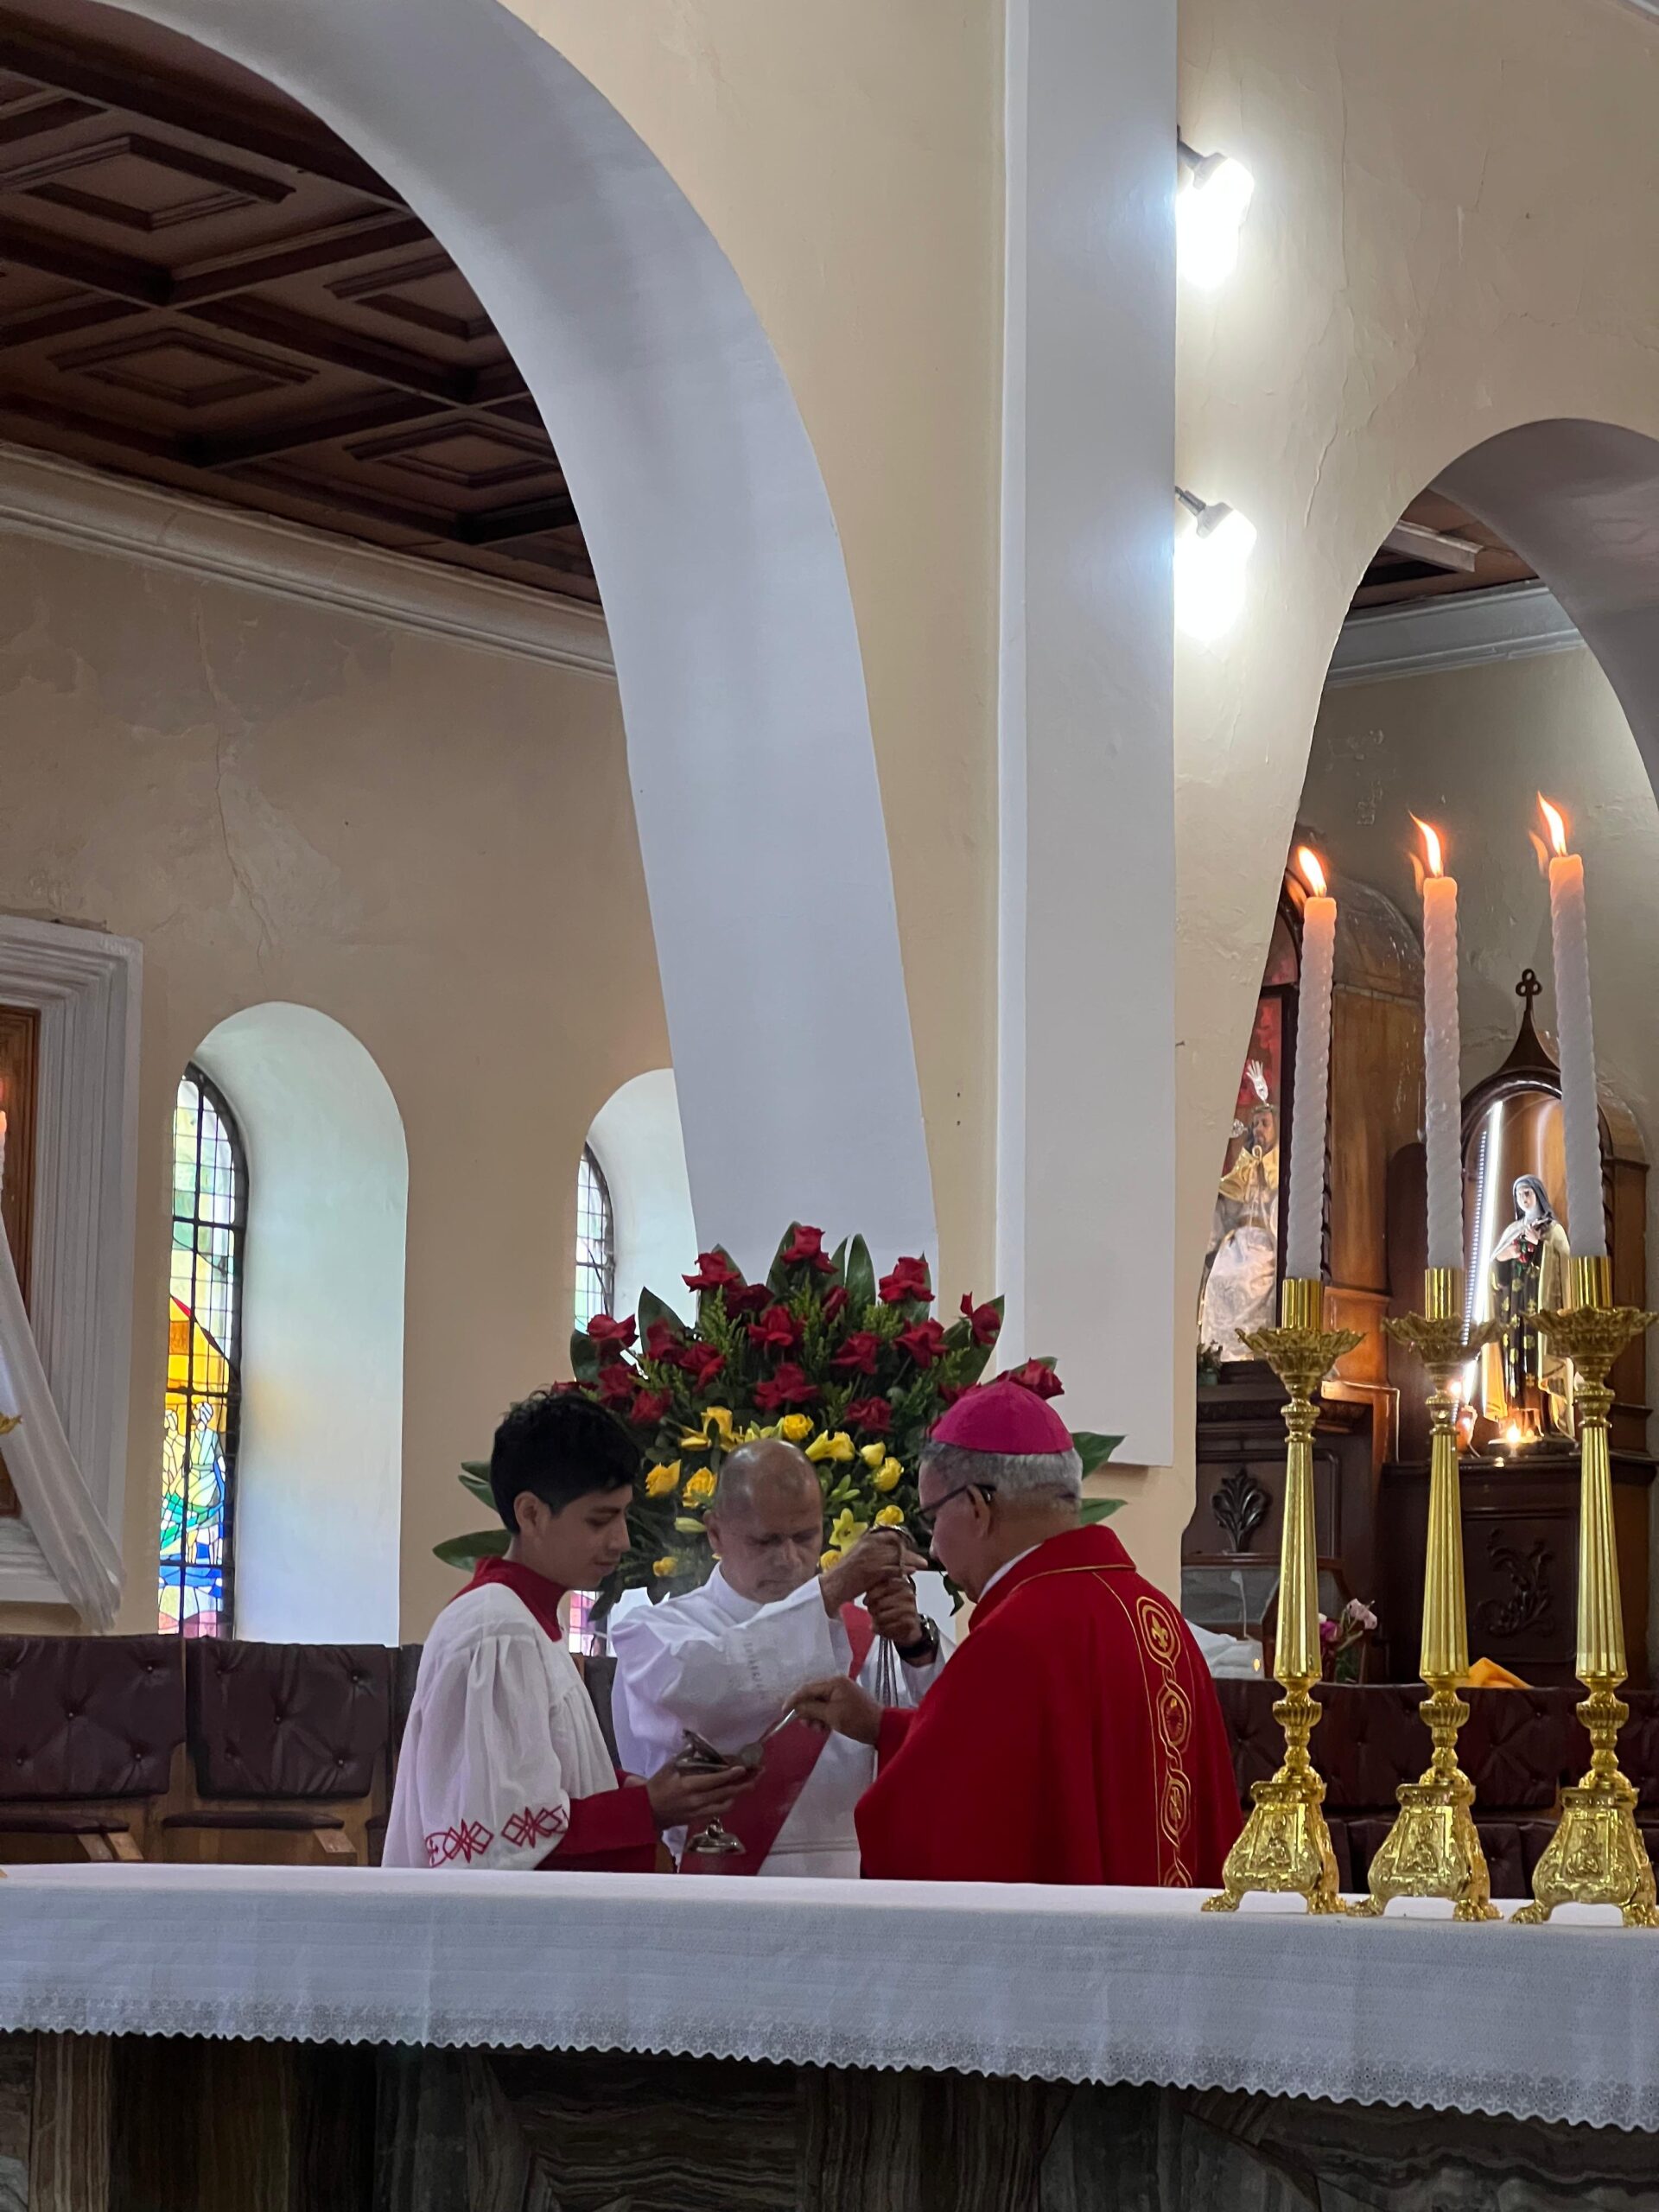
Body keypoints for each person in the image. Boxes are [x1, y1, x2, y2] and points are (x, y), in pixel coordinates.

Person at [791, 1378, 1243, 1887]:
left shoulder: (1015, 1639)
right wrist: (882, 1727)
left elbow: (938, 1830)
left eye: (932, 1517)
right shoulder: (1157, 1616)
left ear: (979, 1509)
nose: (934, 1548)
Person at [385, 1391, 748, 1872]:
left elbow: (541, 1783)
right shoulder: (497, 1634)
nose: (621, 1541)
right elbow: (496, 1849)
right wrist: (649, 1808)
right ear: (531, 1513)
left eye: (623, 1515)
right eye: (601, 1520)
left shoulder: (528, 1622)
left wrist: (628, 1788)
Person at [610, 1437, 949, 1875]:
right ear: (715, 1532)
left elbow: (949, 1741)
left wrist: (916, 1649)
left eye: (805, 1536)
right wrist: (832, 1587)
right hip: (718, 1888)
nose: (789, 1559)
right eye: (766, 1541)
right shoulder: (656, 1632)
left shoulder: (863, 1632)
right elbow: (705, 1693)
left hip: (855, 1888)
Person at [1478, 1173, 1575, 1440]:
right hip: (1515, 1314)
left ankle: (1547, 1424)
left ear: (1538, 1196)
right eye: (1519, 1195)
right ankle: (1517, 1425)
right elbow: (1496, 1276)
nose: (1523, 1199)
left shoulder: (1552, 1231)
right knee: (1515, 1367)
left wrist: (1539, 1247)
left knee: (1539, 1366)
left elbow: (1565, 1263)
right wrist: (1501, 1260)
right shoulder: (1512, 1230)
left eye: (1527, 1193)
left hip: (1541, 1314)